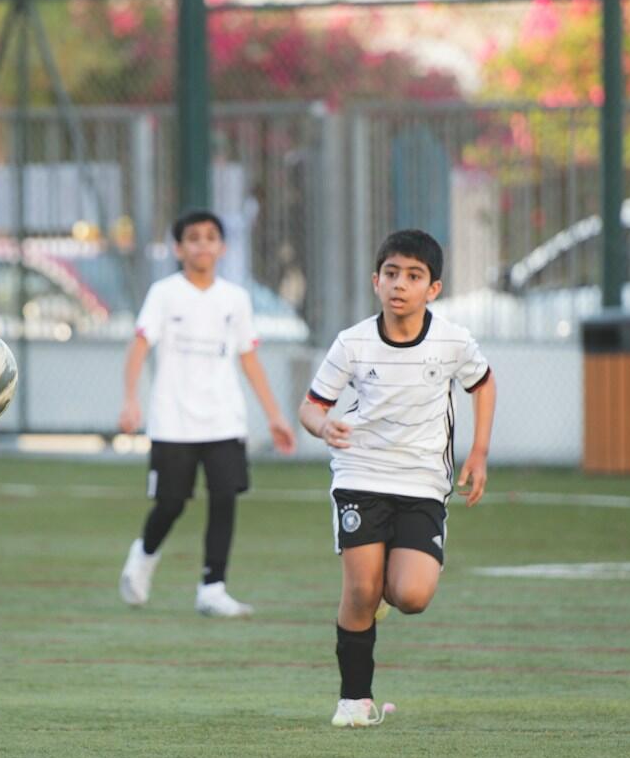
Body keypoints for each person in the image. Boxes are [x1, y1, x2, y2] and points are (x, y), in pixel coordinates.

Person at [297, 229, 496, 728]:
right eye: (391, 274)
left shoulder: (453, 341)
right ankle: (353, 701)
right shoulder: (353, 343)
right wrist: (324, 425)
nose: (399, 285)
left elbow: (484, 383)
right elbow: (311, 407)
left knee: (410, 596)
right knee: (361, 591)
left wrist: (479, 452)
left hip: (424, 484)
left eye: (413, 276)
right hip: (360, 473)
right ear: (375, 281)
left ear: (434, 288)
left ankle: (384, 598)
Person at [117, 210, 297, 617]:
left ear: (223, 247)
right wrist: (131, 399)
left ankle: (212, 587)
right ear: (179, 248)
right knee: (171, 503)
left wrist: (275, 415)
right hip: (173, 421)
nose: (202, 244)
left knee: (224, 498)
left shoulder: (236, 298)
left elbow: (249, 357)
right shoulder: (164, 293)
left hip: (224, 420)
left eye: (211, 237)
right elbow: (140, 344)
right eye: (193, 238)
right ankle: (144, 555)